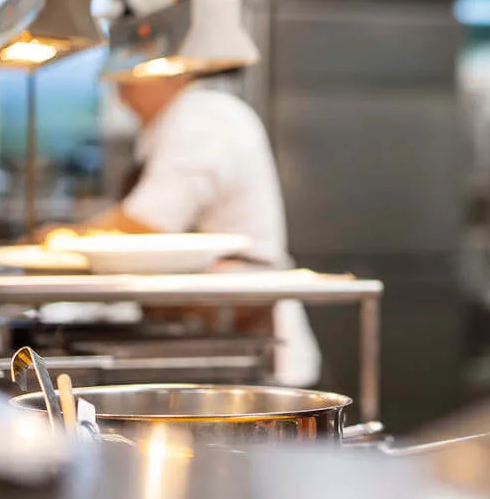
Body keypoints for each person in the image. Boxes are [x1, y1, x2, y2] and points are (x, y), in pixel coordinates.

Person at [75, 69, 320, 387]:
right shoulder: (177, 121)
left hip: (250, 343)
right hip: (209, 335)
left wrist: (63, 239)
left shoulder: (203, 117)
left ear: (171, 74)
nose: (120, 91)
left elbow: (144, 225)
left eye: (131, 78)